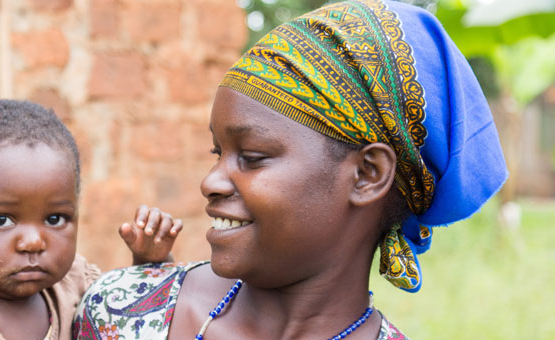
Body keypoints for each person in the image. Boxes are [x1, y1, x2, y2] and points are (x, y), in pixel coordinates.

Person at [73, 0, 508, 339]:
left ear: (368, 174)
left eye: (252, 157)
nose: (210, 182)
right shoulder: (122, 314)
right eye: (217, 152)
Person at [0, 99, 184, 340]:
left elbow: (128, 324)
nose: (33, 242)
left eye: (54, 218)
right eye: (2, 220)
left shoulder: (74, 284)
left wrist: (149, 265)